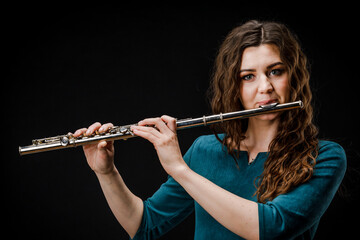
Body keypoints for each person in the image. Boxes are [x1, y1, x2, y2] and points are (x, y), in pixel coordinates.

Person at [73, 20, 346, 240]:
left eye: (275, 71)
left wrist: (180, 170)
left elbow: (272, 228)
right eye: (248, 76)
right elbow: (144, 226)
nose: (265, 87)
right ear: (234, 87)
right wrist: (106, 172)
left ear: (293, 77)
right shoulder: (205, 151)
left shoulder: (323, 157)